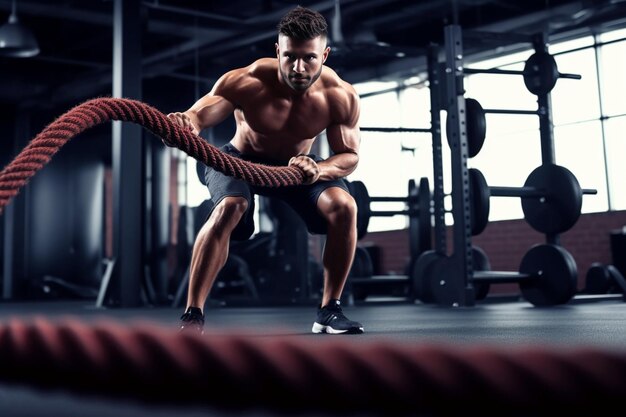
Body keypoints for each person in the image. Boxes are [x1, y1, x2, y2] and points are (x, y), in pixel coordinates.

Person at [167, 6, 363, 335]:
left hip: (296, 171)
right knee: (232, 207)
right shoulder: (247, 81)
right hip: (240, 161)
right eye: (290, 57)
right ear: (278, 51)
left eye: (310, 58)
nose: (299, 68)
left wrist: (318, 168)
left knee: (345, 206)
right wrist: (185, 124)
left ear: (325, 54)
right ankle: (193, 316)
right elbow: (198, 116)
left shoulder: (340, 96)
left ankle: (329, 311)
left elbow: (349, 156)